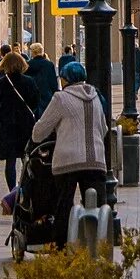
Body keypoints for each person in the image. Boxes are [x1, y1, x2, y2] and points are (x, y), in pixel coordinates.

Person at [30, 61, 109, 243]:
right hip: (96, 160)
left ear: (65, 80)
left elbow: (39, 132)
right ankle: (97, 246)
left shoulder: (61, 98)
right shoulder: (96, 96)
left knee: (63, 206)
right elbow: (103, 129)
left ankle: (62, 247)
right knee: (98, 207)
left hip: (68, 162)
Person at [0, 53, 44, 190]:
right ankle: (25, 188)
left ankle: (12, 191)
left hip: (7, 125)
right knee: (26, 157)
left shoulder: (1, 82)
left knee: (10, 161)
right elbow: (35, 101)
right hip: (25, 124)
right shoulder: (29, 81)